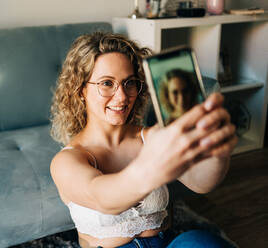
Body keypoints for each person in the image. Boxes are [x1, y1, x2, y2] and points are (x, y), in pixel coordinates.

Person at [50, 32, 237, 248]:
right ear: (81, 90)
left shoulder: (150, 137)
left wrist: (217, 153)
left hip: (163, 243)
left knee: (203, 242)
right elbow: (103, 198)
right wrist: (153, 168)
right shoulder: (66, 161)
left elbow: (201, 183)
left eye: (129, 83)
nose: (122, 96)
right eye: (107, 83)